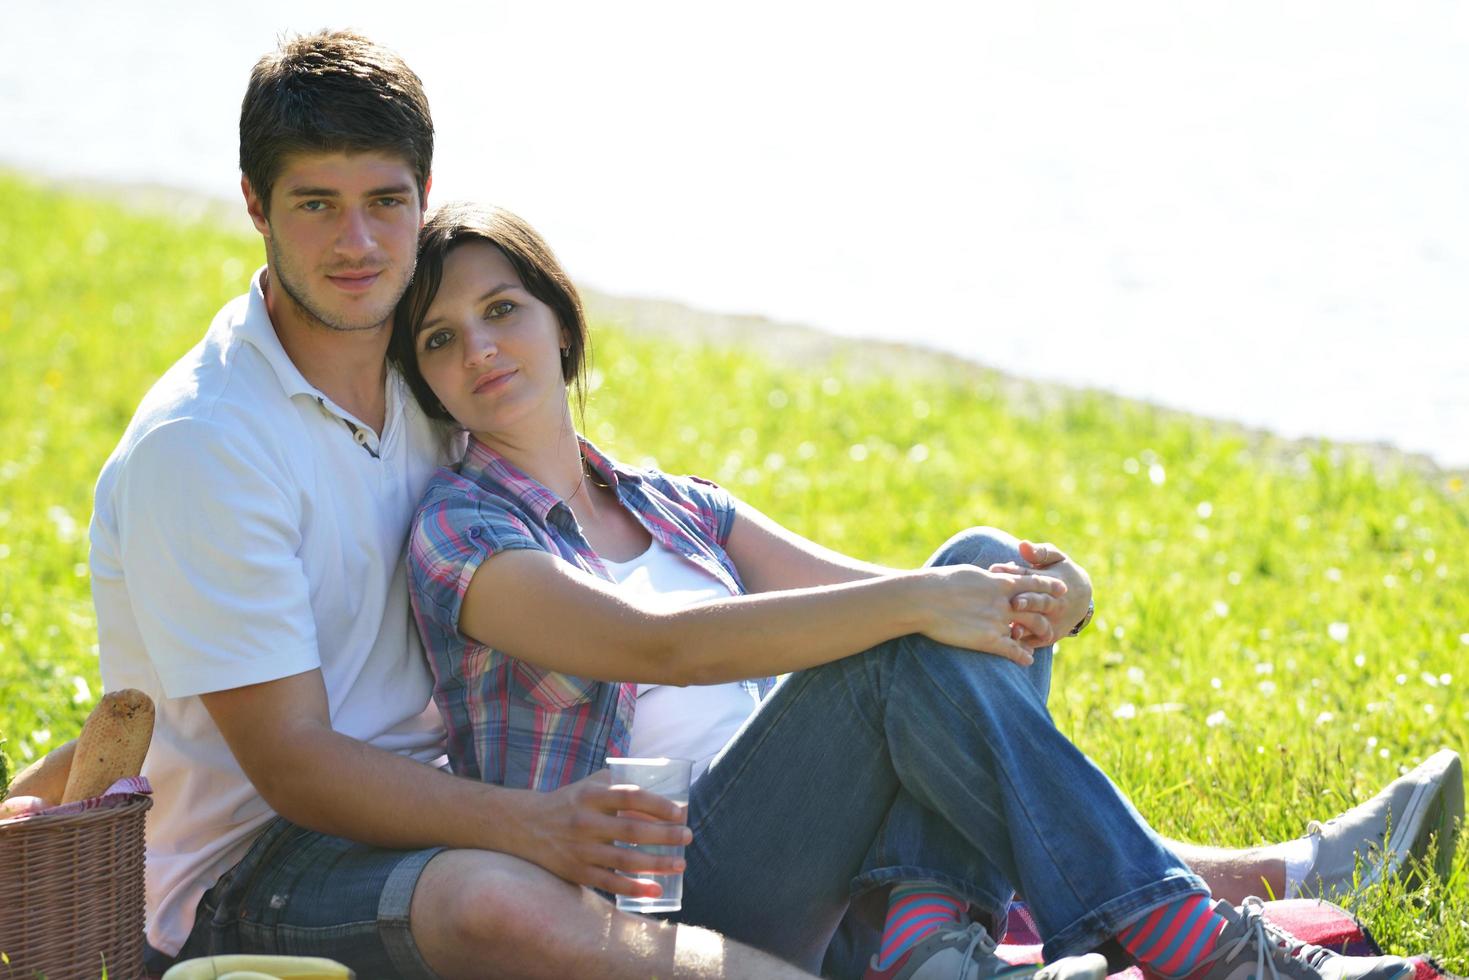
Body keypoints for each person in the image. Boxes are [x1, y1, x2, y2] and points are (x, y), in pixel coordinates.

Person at [87, 27, 1457, 980]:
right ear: (255, 209)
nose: (360, 245)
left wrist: (1022, 591)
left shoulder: (408, 391)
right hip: (285, 859)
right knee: (541, 889)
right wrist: (532, 825)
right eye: (315, 207)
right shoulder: (221, 447)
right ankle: (1175, 918)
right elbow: (303, 764)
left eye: (385, 204)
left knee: (947, 603)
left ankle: (1048, 917)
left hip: (566, 809)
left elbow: (859, 599)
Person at [389, 201, 1459, 980]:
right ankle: (1190, 935)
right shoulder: (458, 532)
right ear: (424, 377)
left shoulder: (674, 504)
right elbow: (661, 644)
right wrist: (930, 603)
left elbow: (913, 594)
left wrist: (1050, 591)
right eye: (441, 338)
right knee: (913, 624)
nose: (479, 347)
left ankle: (930, 945)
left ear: (560, 322)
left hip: (819, 860)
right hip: (664, 893)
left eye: (501, 308)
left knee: (967, 562)